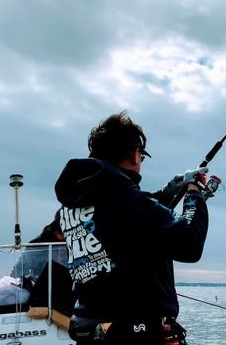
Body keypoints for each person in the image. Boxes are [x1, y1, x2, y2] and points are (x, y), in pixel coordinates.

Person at [54, 111, 212, 344]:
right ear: (134, 152)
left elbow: (127, 221)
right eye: (142, 155)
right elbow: (190, 243)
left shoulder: (72, 206)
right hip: (136, 332)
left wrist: (170, 190)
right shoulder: (121, 198)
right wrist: (193, 193)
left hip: (93, 330)